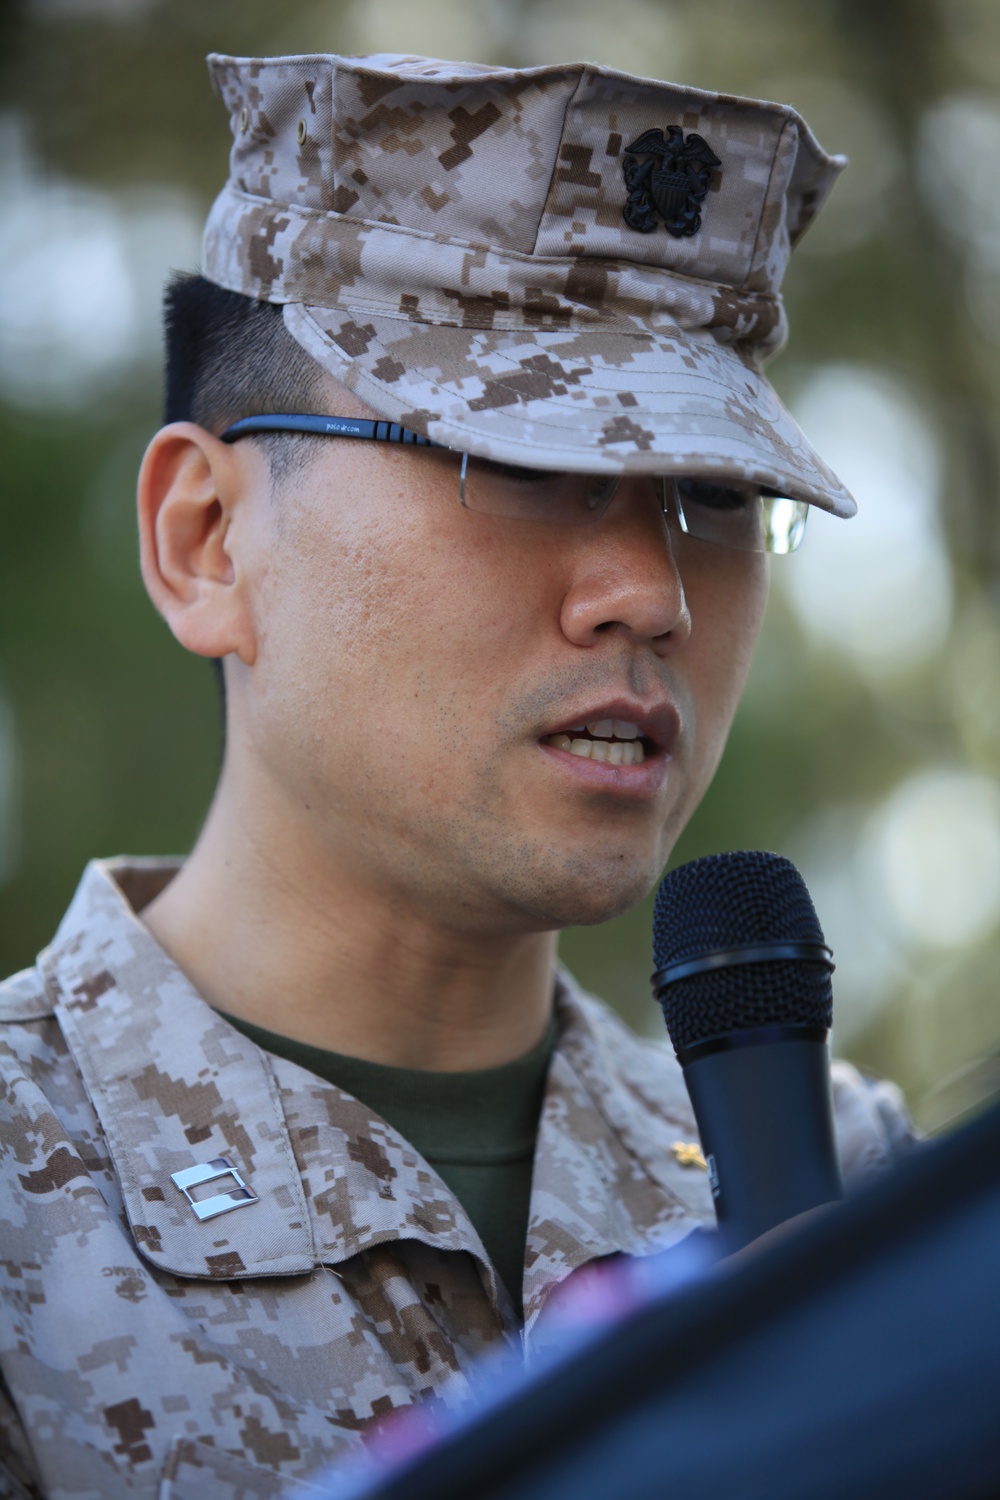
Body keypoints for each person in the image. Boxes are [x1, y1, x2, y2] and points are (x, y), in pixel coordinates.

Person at [0, 49, 913, 1499]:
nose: (648, 593)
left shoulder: (861, 1204)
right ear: (207, 541)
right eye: (521, 460)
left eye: (715, 497)